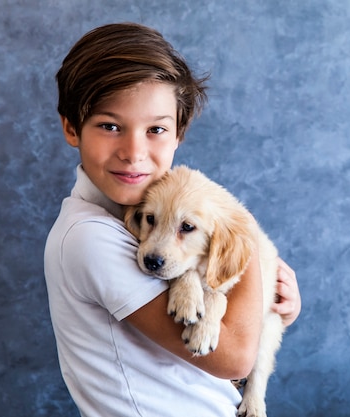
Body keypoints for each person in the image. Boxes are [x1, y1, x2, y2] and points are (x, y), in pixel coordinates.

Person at [44, 22, 301, 417]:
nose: (134, 151)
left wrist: (270, 303)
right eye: (110, 126)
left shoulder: (144, 214)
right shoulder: (88, 237)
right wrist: (244, 237)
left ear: (179, 132)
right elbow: (232, 359)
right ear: (71, 127)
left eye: (156, 129)